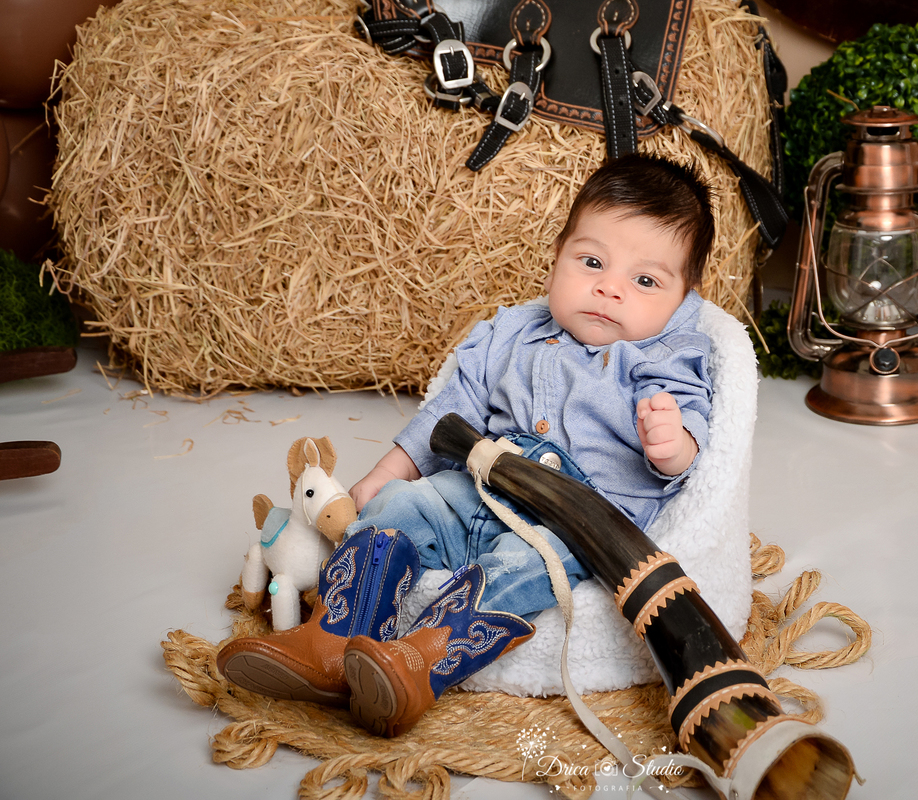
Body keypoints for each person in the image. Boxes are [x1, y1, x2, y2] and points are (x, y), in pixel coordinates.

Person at [217, 153, 717, 738]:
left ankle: (419, 664)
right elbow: (449, 411)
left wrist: (670, 443)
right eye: (591, 261)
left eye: (645, 281)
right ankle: (331, 644)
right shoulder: (509, 333)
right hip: (479, 484)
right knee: (396, 510)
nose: (609, 288)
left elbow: (691, 445)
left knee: (522, 569)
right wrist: (389, 470)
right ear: (556, 259)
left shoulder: (666, 356)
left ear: (682, 300)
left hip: (575, 521)